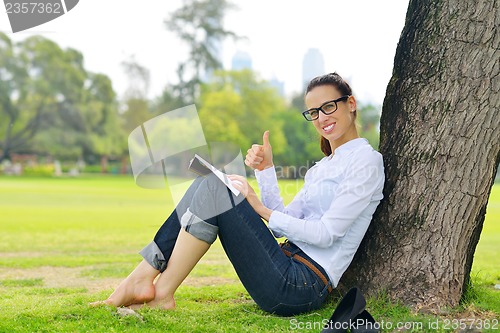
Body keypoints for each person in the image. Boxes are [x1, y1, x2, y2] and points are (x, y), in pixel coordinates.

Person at [91, 72, 385, 316]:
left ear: (351, 104)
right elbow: (286, 220)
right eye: (313, 112)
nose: (321, 118)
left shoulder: (366, 162)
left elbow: (327, 234)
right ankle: (147, 281)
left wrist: (260, 208)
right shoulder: (322, 168)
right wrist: (266, 169)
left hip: (301, 286)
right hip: (282, 263)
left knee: (215, 186)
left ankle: (156, 288)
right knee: (209, 182)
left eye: (329, 107)